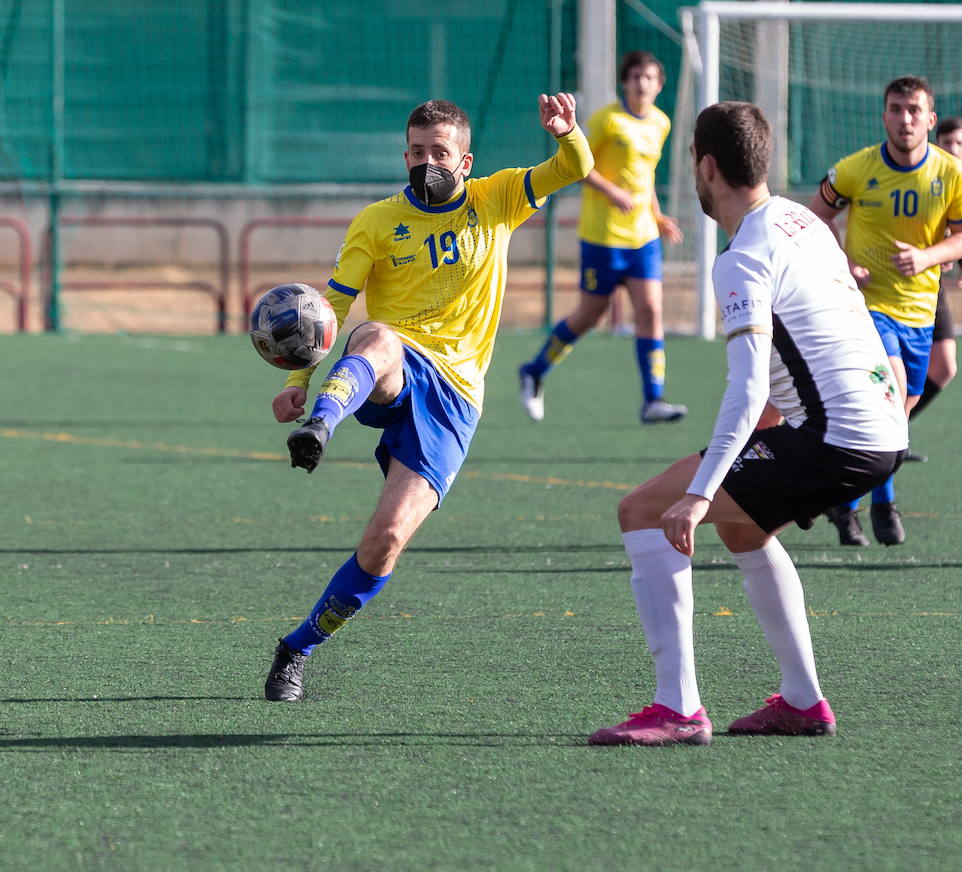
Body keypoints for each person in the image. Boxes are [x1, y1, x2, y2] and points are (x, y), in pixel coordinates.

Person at [588, 101, 906, 746]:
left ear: (705, 167)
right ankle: (801, 700)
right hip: (884, 428)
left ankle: (677, 710)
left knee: (647, 510)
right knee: (744, 527)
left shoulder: (742, 257)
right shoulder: (800, 219)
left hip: (836, 438)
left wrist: (699, 494)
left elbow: (750, 382)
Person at [262, 94, 593, 702]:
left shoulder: (498, 198)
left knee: (384, 541)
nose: (426, 163)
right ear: (404, 155)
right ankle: (320, 427)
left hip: (455, 399)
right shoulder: (377, 220)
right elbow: (331, 308)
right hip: (390, 368)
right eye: (416, 152)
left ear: (465, 160)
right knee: (379, 336)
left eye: (439, 152)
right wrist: (296, 381)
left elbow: (574, 168)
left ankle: (296, 648)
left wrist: (566, 132)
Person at [809, 76, 962, 547]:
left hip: (922, 312)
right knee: (892, 399)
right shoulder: (855, 170)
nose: (905, 118)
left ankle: (842, 503)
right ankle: (884, 506)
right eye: (896, 109)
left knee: (895, 419)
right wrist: (842, 262)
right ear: (883, 115)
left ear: (931, 119)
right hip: (869, 308)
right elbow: (816, 216)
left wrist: (926, 257)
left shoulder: (952, 175)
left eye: (914, 110)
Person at [517, 51, 687, 425]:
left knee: (651, 311)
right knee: (589, 315)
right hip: (603, 235)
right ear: (625, 82)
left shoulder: (661, 122)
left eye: (650, 77)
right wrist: (612, 192)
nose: (642, 83)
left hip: (642, 238)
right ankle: (535, 370)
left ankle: (653, 400)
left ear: (660, 85)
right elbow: (580, 167)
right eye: (636, 76)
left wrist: (657, 216)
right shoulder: (607, 120)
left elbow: (646, 177)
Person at [906, 116, 962, 463]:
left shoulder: (959, 183)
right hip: (900, 284)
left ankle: (891, 432)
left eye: (958, 144)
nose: (952, 149)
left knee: (944, 366)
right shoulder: (925, 178)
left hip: (931, 285)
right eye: (946, 143)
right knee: (895, 373)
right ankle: (877, 442)